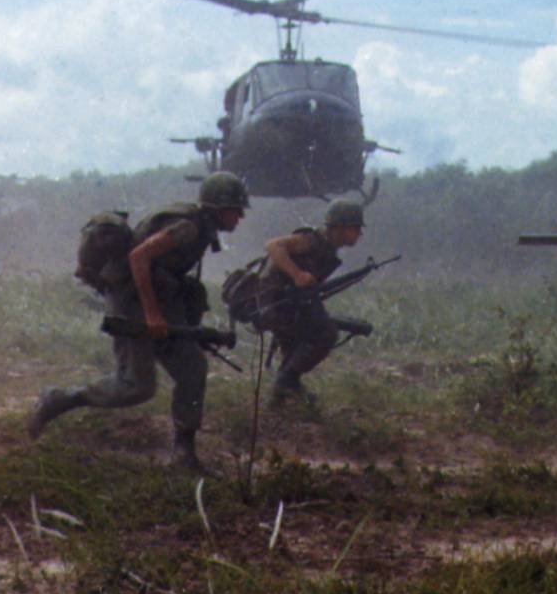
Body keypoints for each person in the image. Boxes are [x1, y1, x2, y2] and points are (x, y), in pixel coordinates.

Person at [27, 172, 249, 474]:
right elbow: (138, 257)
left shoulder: (200, 227)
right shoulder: (188, 227)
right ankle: (58, 399)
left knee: (193, 369)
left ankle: (184, 454)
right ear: (219, 206)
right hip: (133, 300)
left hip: (155, 300)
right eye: (237, 210)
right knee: (136, 387)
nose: (239, 218)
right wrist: (152, 314)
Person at [259, 199, 365, 406]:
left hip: (287, 304)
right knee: (326, 333)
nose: (359, 234)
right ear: (340, 227)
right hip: (275, 303)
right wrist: (297, 274)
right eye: (356, 228)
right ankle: (286, 382)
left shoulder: (327, 248)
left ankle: (277, 400)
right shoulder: (310, 240)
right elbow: (273, 245)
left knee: (295, 346)